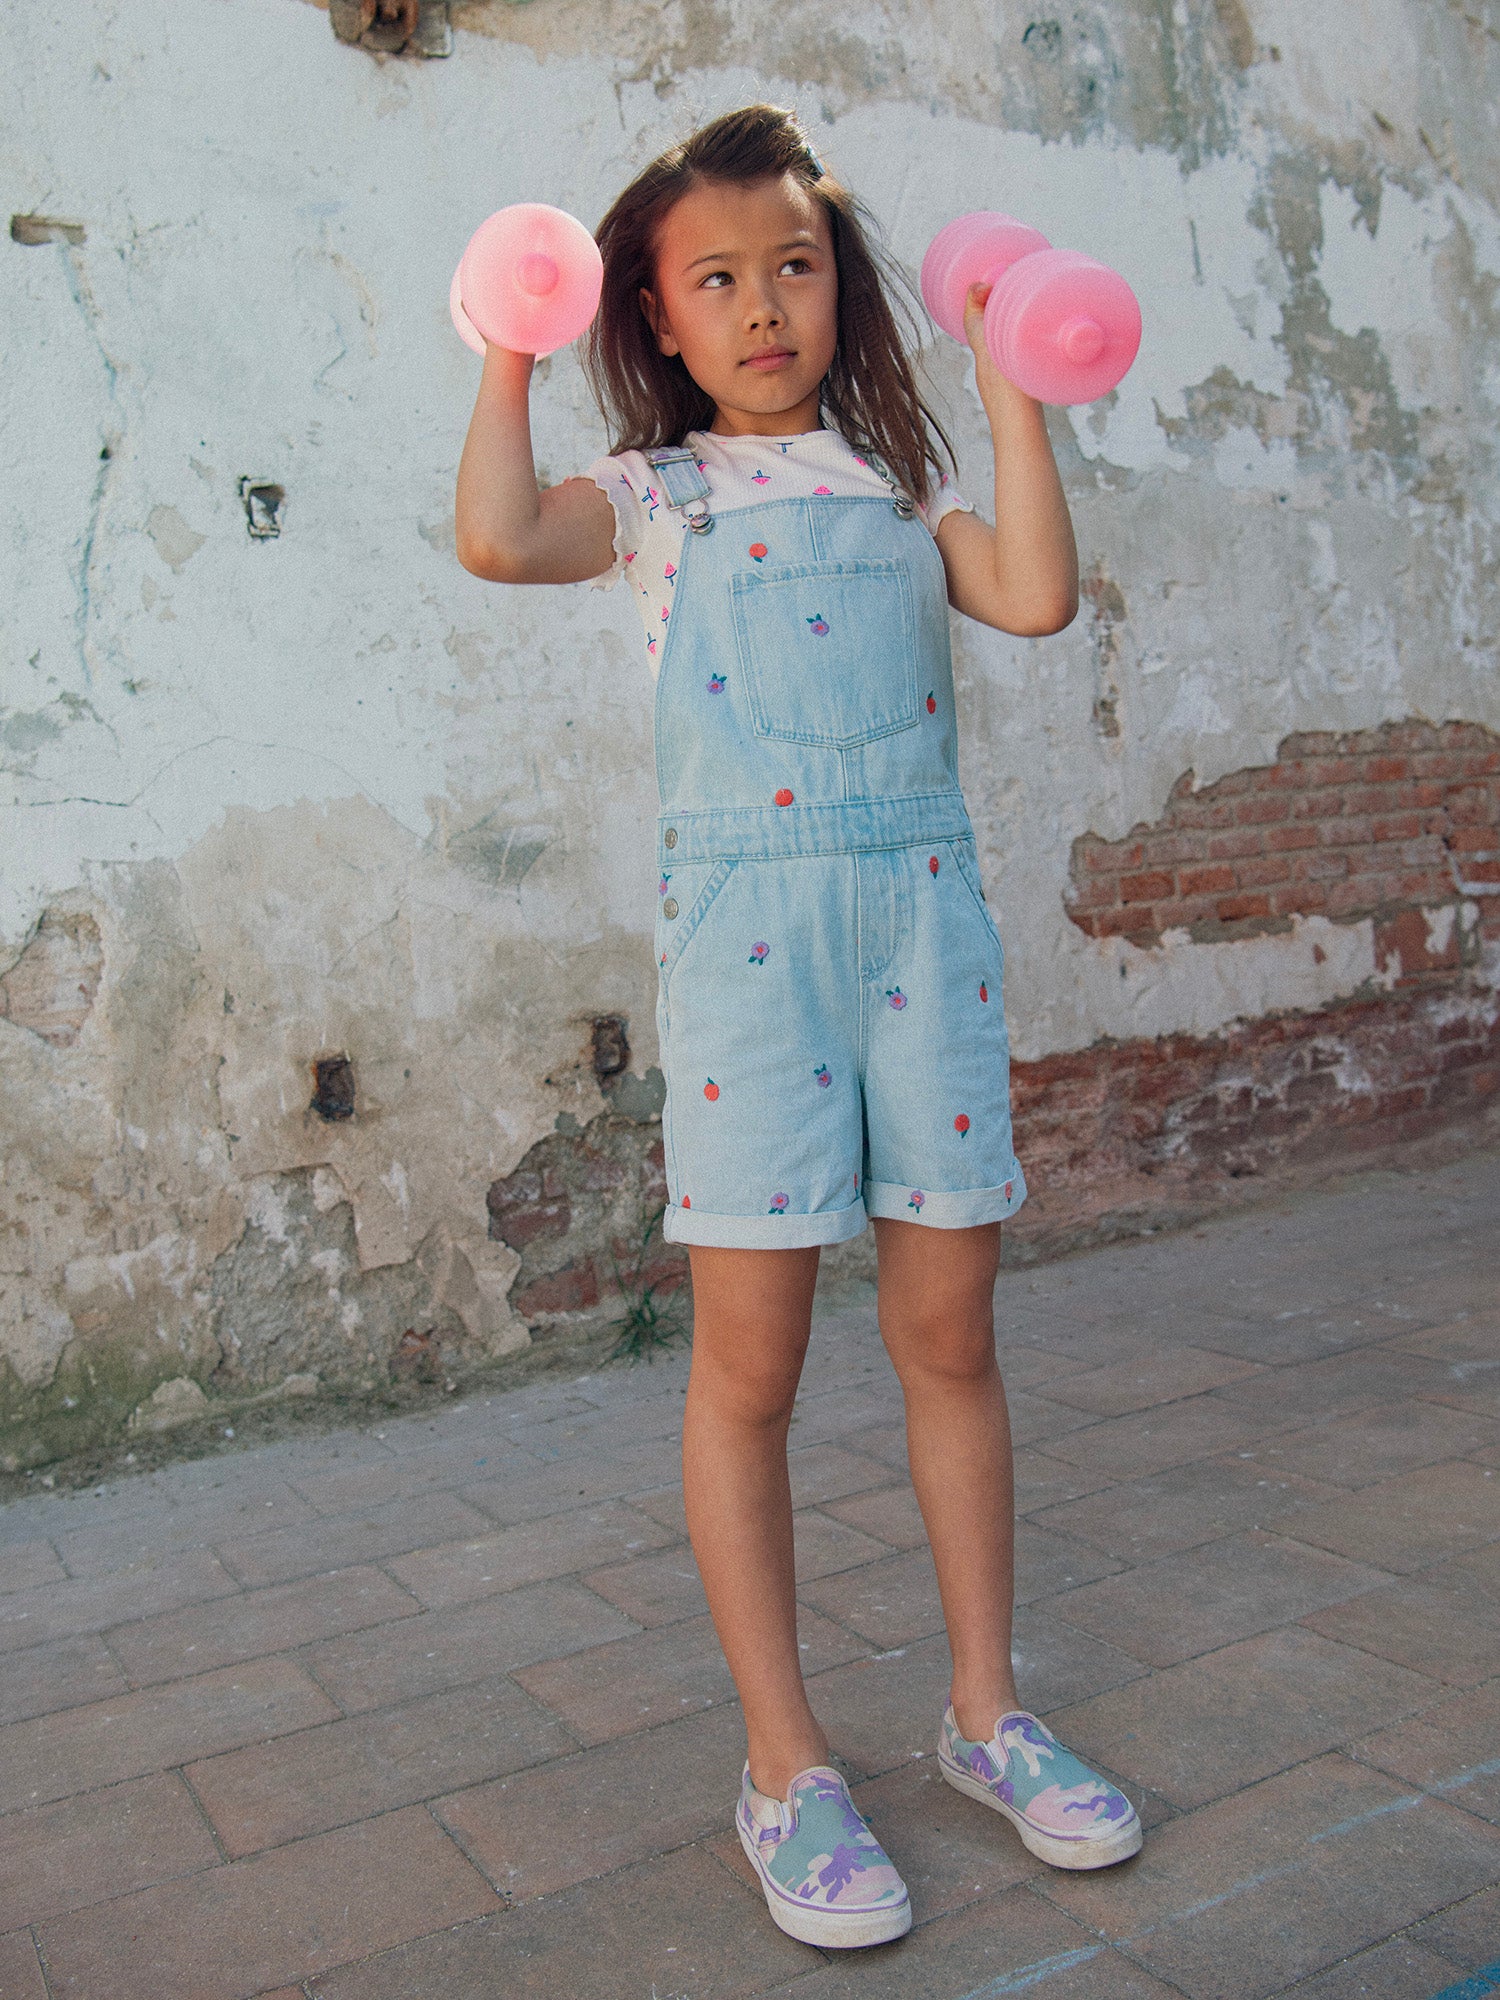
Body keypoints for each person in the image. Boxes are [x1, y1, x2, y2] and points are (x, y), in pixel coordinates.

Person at [455, 103, 1141, 1952]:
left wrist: (1015, 378)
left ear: (842, 289)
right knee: (749, 1369)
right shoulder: (654, 501)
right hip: (752, 961)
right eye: (716, 279)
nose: (762, 306)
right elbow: (499, 537)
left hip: (923, 935)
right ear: (657, 317)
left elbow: (1035, 593)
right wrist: (507, 336)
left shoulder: (898, 498)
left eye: (795, 266)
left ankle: (987, 1713)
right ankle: (784, 1765)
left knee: (951, 1333)